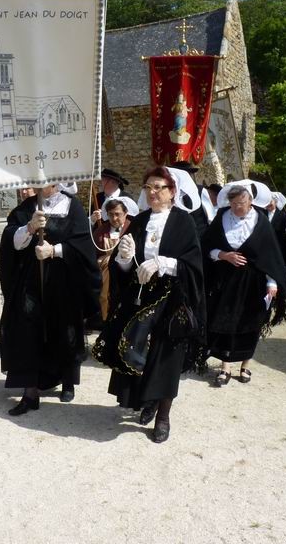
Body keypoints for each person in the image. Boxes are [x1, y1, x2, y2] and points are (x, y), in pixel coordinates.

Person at [92, 167, 205, 444]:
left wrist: (162, 263)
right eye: (148, 188)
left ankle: (163, 415)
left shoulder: (183, 221)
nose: (152, 193)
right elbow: (126, 269)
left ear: (172, 192)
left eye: (159, 188)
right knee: (138, 350)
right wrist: (124, 258)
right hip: (142, 297)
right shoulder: (140, 221)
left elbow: (193, 265)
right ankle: (147, 400)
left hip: (172, 298)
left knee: (166, 358)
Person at [0, 183, 100, 414]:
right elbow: (11, 241)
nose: (40, 185)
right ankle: (30, 391)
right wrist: (30, 228)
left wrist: (55, 251)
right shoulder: (25, 208)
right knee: (27, 328)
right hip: (30, 280)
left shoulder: (72, 208)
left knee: (64, 329)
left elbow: (83, 247)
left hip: (63, 280)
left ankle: (67, 380)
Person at [203, 184, 286, 387]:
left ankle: (245, 365)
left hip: (254, 282)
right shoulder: (222, 217)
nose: (236, 208)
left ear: (250, 201)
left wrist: (272, 283)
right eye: (233, 204)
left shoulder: (261, 221)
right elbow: (206, 246)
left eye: (240, 204)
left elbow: (269, 255)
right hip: (226, 280)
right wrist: (224, 255)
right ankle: (225, 367)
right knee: (226, 322)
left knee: (250, 323)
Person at [93, 197, 136, 321]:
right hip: (106, 271)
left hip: (126, 269)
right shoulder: (101, 230)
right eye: (111, 214)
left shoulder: (132, 228)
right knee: (105, 296)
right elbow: (93, 252)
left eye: (118, 214)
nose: (114, 218)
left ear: (125, 213)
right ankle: (106, 319)